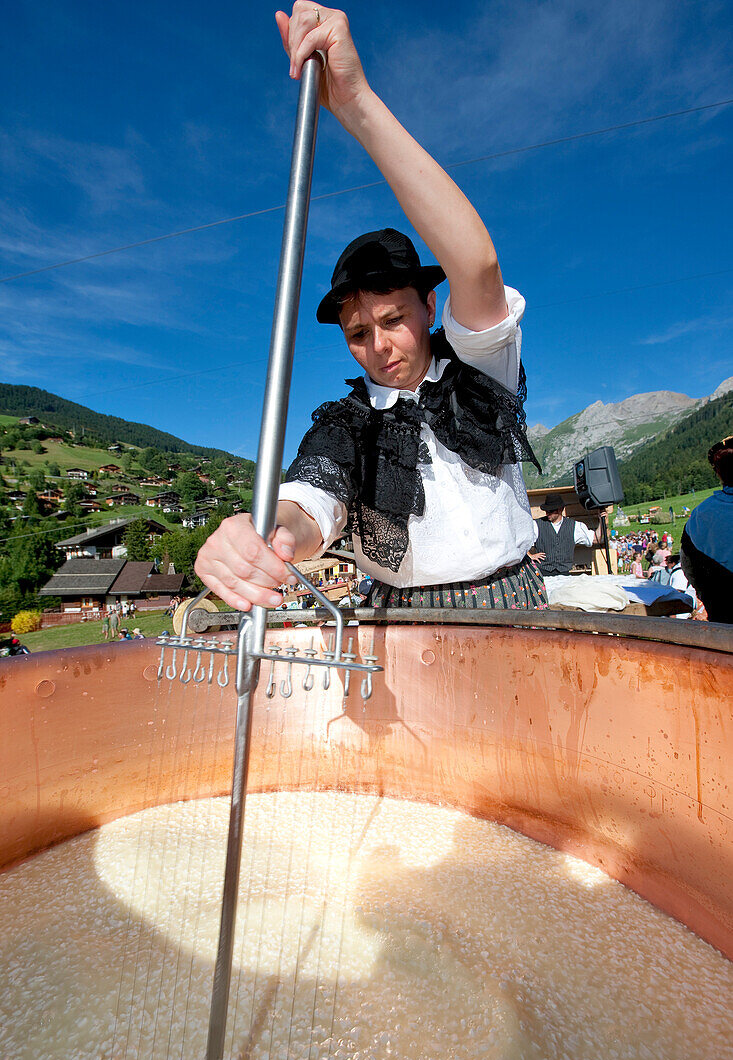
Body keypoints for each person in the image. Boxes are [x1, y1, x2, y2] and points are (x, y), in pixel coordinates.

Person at [195, 3, 546, 614]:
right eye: (358, 332)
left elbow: (478, 265)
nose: (378, 347)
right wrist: (259, 532)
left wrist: (355, 103)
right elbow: (311, 503)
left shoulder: (480, 376)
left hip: (509, 603)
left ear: (429, 306)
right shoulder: (347, 424)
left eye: (392, 320)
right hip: (394, 616)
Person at [680, 434, 733, 624]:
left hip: (723, 616)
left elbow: (688, 565)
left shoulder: (700, 514)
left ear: (719, 473)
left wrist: (711, 598)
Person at [529, 493, 597, 577]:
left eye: (550, 511)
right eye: (546, 511)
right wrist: (530, 555)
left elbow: (594, 539)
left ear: (560, 509)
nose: (547, 513)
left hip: (564, 573)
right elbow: (521, 543)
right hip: (543, 573)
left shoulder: (574, 526)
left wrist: (602, 519)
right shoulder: (537, 525)